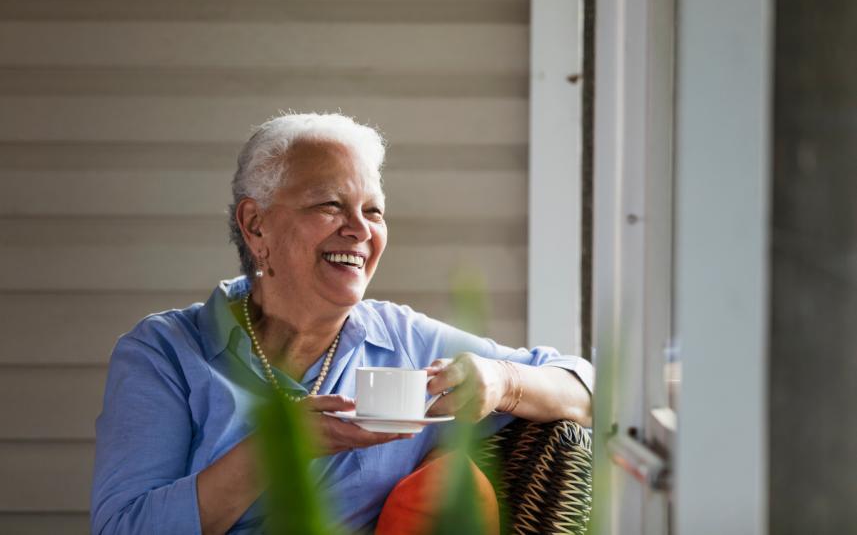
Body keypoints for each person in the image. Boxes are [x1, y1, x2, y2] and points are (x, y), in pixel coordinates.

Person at [90, 113, 593, 534]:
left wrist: (504, 381)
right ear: (255, 224)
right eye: (330, 205)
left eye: (373, 211)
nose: (359, 230)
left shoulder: (402, 340)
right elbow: (122, 526)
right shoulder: (166, 352)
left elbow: (588, 389)